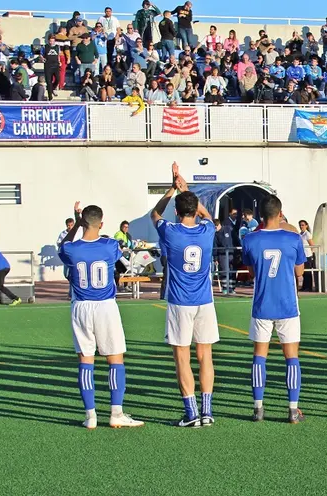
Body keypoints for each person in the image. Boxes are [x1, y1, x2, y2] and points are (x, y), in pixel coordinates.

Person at [58, 201, 143, 429]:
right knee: (115, 358)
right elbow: (119, 258)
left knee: (86, 360)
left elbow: (64, 246)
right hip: (105, 306)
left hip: (81, 307)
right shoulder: (109, 245)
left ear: (82, 222)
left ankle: (90, 416)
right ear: (101, 223)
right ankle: (116, 413)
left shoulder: (71, 249)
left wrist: (75, 223)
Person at [150, 162, 219, 427]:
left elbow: (154, 214)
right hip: (205, 301)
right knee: (206, 356)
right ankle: (208, 410)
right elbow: (209, 217)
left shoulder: (170, 231)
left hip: (180, 302)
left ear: (177, 211)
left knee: (182, 356)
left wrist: (172, 189)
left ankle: (191, 413)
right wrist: (189, 192)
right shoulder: (207, 230)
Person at [241, 195, 307, 424]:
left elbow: (250, 273)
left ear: (260, 216)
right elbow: (300, 272)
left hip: (262, 304)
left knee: (259, 356)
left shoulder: (250, 239)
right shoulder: (293, 238)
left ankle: (258, 408)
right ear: (280, 214)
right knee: (292, 358)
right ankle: (293, 409)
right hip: (287, 305)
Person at [216, 208, 236, 294]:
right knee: (224, 271)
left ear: (218, 225)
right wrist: (215, 258)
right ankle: (225, 288)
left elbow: (235, 239)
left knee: (232, 271)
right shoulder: (215, 234)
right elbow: (215, 245)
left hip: (232, 253)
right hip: (222, 254)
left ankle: (232, 288)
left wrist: (239, 249)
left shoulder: (228, 229)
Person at [298, 219, 316, 292]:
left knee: (308, 272)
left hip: (307, 255)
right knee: (304, 272)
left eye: (302, 225)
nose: (301, 226)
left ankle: (309, 287)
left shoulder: (307, 234)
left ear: (306, 226)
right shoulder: (300, 234)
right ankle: (304, 286)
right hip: (303, 255)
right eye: (300, 225)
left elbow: (312, 245)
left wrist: (311, 254)